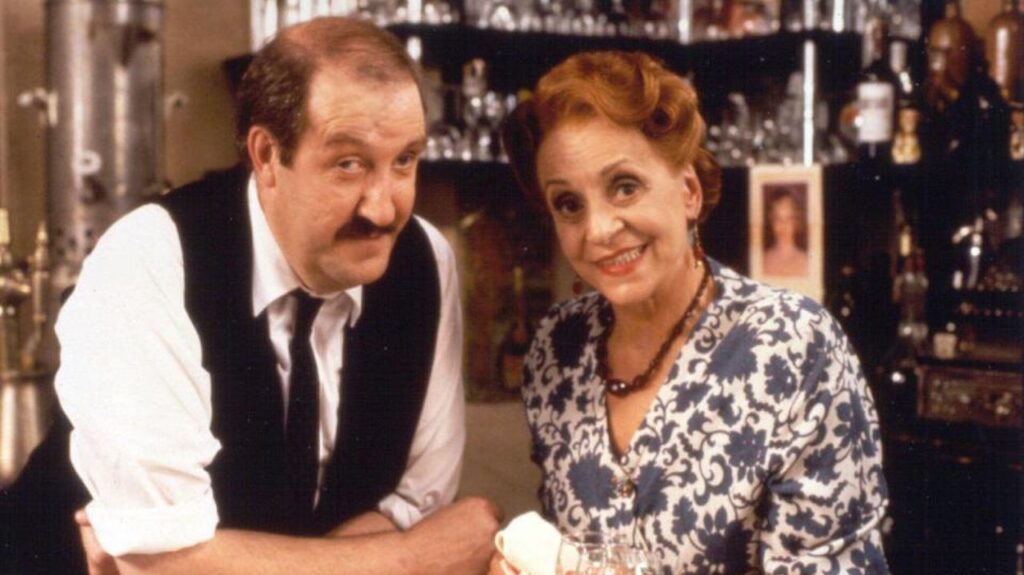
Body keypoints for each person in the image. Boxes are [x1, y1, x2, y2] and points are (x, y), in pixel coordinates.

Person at [9, 17, 500, 575]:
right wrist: (413, 559)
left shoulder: (426, 261)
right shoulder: (148, 258)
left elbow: (413, 502)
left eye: (404, 161)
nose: (383, 209)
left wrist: (218, 560)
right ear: (266, 155)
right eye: (349, 165)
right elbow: (165, 564)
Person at [496, 51, 889, 573]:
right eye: (569, 204)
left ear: (688, 192)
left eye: (625, 187)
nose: (598, 230)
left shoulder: (796, 346)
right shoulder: (556, 349)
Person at [762, 186, 810, 277]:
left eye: (789, 218)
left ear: (797, 221)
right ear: (771, 221)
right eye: (777, 218)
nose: (783, 225)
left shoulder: (807, 262)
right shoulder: (761, 260)